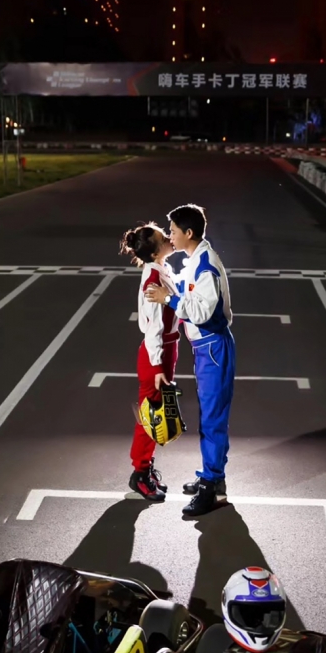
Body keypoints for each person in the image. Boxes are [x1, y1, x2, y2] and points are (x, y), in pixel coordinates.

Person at [146, 203, 235, 517]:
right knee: (209, 418)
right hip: (206, 348)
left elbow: (201, 311)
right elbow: (191, 293)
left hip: (213, 347)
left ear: (189, 233)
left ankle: (213, 488)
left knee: (213, 420)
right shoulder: (195, 261)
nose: (170, 236)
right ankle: (212, 478)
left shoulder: (205, 266)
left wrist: (167, 298)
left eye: (172, 230)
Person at [120, 223, 180, 502]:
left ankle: (146, 467)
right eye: (164, 237)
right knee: (152, 415)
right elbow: (154, 327)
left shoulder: (160, 270)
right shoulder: (153, 280)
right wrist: (157, 367)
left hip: (166, 349)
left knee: (158, 411)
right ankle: (139, 473)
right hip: (157, 353)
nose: (170, 239)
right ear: (157, 251)